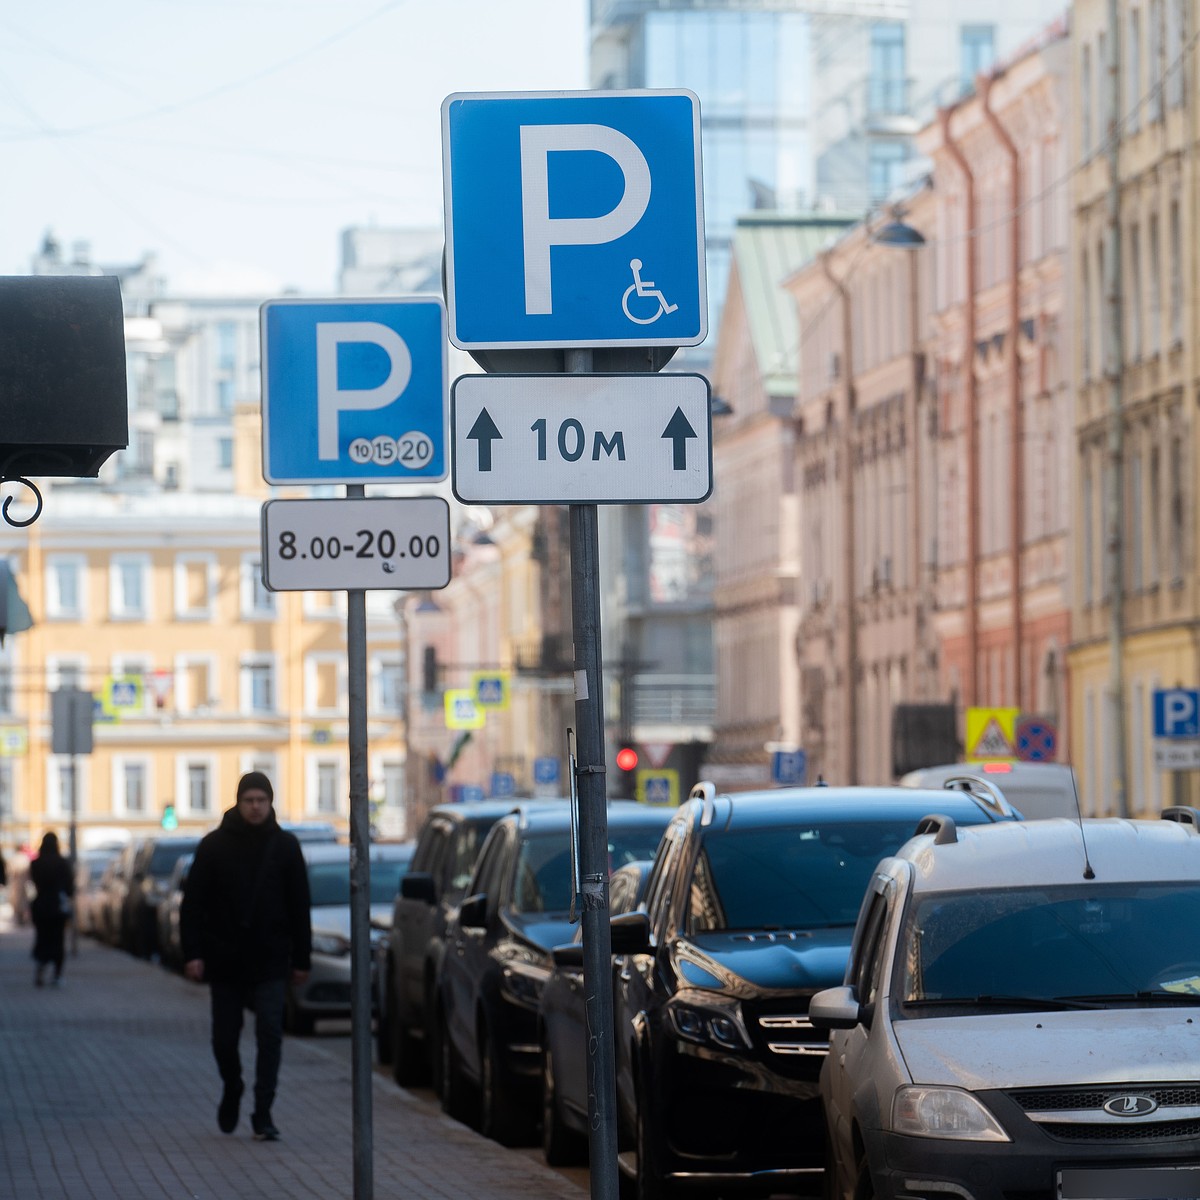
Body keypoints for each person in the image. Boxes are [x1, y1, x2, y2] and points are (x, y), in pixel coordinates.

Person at [180, 772, 311, 1141]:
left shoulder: (285, 846)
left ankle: (263, 1111)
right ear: (238, 802)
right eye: (249, 800)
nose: (255, 807)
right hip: (225, 959)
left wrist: (302, 959)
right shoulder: (213, 846)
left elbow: (300, 905)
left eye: (262, 800)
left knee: (270, 1034)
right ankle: (233, 1085)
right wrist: (193, 954)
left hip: (270, 959)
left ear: (271, 803)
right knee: (224, 1038)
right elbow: (193, 905)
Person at [29, 831, 73, 987]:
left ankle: (40, 969)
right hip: (57, 907)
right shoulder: (62, 862)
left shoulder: (36, 863)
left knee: (42, 939)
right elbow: (69, 887)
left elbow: (34, 882)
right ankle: (57, 975)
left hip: (41, 906)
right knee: (58, 941)